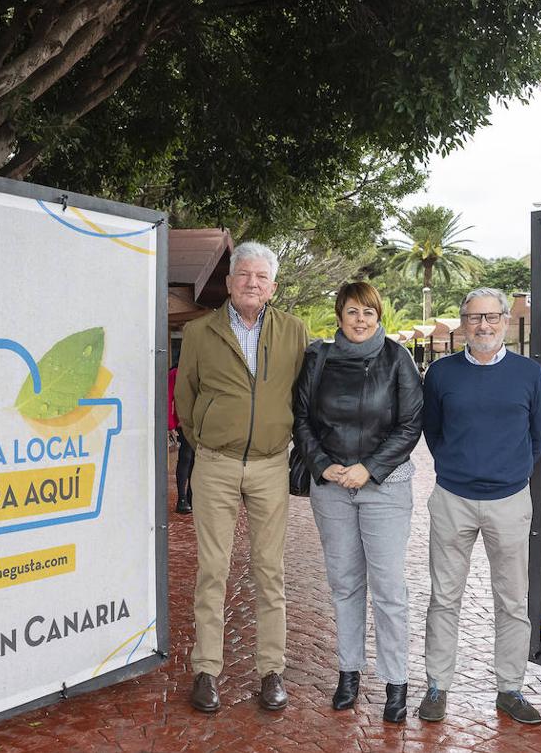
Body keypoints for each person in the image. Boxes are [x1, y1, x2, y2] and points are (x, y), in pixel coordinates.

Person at [174, 241, 308, 713]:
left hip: (272, 465)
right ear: (229, 282)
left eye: (261, 277)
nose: (253, 283)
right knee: (213, 570)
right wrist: (209, 436)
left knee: (270, 571)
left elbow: (301, 395)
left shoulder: (295, 331)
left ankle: (271, 669)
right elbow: (185, 400)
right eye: (244, 275)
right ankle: (206, 669)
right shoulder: (198, 332)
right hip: (215, 465)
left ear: (273, 286)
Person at [417, 287, 541, 725]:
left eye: (491, 317)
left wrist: (505, 473)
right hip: (452, 499)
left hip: (509, 501)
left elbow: (537, 438)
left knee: (513, 601)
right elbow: (433, 432)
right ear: (463, 323)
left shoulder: (530, 374)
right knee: (444, 597)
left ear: (505, 321)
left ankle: (509, 688)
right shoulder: (440, 374)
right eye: (474, 318)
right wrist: (460, 468)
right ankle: (437, 685)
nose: (484, 326)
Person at [292, 282, 423, 723]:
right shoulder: (318, 358)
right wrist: (323, 465)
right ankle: (348, 672)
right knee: (345, 584)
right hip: (331, 488)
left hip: (383, 486)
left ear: (378, 314)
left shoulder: (396, 358)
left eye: (368, 312)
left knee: (388, 589)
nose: (361, 320)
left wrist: (368, 467)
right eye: (352, 311)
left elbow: (410, 424)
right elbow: (302, 418)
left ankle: (396, 680)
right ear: (339, 315)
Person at [168, 363, 194, 515]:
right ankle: (182, 498)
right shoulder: (175, 373)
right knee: (186, 457)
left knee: (196, 460)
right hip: (183, 422)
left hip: (201, 422)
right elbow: (168, 396)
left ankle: (191, 496)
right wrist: (170, 423)